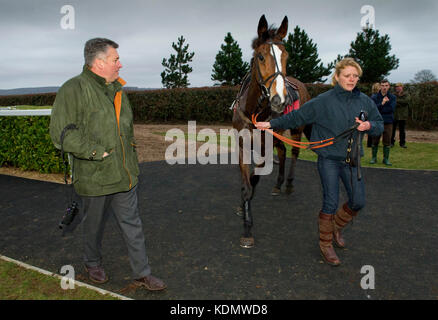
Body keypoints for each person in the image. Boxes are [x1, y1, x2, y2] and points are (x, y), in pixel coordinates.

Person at [50, 38, 166, 291]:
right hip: (95, 176)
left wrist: (131, 158)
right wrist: (95, 152)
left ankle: (142, 273)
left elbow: (125, 129)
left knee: (132, 224)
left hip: (125, 175)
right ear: (99, 62)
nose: (120, 64)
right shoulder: (73, 89)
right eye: (115, 60)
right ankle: (92, 262)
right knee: (93, 225)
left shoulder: (118, 90)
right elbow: (61, 133)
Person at [255, 58, 383, 266]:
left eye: (355, 76)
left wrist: (369, 125)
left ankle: (336, 228)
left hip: (352, 159)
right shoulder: (324, 100)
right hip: (329, 159)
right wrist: (271, 124)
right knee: (330, 202)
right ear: (337, 77)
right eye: (347, 75)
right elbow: (297, 116)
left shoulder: (365, 101)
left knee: (358, 201)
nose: (351, 79)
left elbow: (379, 123)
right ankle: (326, 244)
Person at [370, 79, 397, 165]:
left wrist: (381, 108)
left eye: (386, 86)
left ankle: (386, 159)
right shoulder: (374, 97)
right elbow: (373, 109)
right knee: (375, 140)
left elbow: (391, 109)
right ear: (380, 86)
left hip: (388, 121)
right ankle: (374, 158)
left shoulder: (392, 97)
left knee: (387, 140)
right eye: (383, 85)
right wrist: (382, 103)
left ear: (389, 86)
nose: (384, 87)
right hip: (377, 121)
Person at [391, 83, 409, 148]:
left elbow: (406, 101)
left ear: (402, 87)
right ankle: (391, 143)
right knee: (392, 130)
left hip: (402, 115)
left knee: (402, 131)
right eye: (396, 87)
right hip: (394, 115)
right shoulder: (393, 94)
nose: (397, 88)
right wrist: (400, 102)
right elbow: (392, 102)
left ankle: (402, 143)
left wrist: (397, 101)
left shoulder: (406, 94)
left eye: (399, 87)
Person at [367, 83, 381, 148]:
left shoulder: (374, 96)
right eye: (379, 86)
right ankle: (371, 143)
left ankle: (370, 143)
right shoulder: (374, 96)